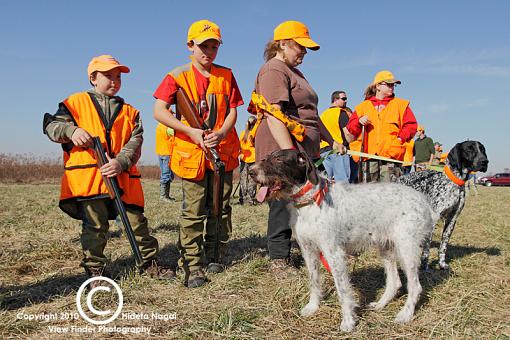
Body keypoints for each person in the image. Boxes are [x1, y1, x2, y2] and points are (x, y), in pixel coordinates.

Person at [43, 55, 175, 284]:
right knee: (95, 225)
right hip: (90, 179)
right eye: (108, 75)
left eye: (118, 76)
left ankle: (149, 262)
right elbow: (51, 126)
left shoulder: (130, 111)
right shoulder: (73, 103)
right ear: (93, 78)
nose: (115, 80)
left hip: (122, 178)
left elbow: (136, 140)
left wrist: (121, 161)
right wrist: (71, 131)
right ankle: (95, 270)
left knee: (137, 222)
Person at [153, 20, 243, 288]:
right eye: (204, 46)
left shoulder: (226, 75)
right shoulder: (176, 75)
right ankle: (192, 265)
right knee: (193, 212)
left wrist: (223, 132)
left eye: (214, 46)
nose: (209, 51)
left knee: (221, 207)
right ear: (190, 46)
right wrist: (191, 131)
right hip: (192, 154)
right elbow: (159, 111)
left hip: (222, 152)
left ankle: (216, 254)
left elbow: (234, 110)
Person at [251, 20, 341, 275]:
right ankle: (279, 259)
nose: (303, 52)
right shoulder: (273, 70)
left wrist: (331, 139)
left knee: (303, 199)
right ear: (281, 44)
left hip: (301, 149)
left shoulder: (296, 72)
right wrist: (289, 154)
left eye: (306, 48)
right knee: (282, 199)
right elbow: (273, 115)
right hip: (283, 148)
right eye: (299, 46)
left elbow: (311, 114)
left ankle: (307, 247)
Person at [346, 70, 417, 182]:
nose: (392, 87)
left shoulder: (401, 104)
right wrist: (359, 121)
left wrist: (399, 139)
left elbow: (411, 126)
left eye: (393, 85)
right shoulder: (362, 107)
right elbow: (351, 129)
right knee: (368, 194)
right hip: (368, 158)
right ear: (378, 86)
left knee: (391, 193)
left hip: (391, 157)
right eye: (388, 84)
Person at [319, 91, 354, 183]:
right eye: (343, 99)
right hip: (339, 151)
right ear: (335, 99)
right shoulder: (341, 113)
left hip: (324, 152)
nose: (346, 101)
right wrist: (353, 143)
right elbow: (347, 133)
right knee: (343, 182)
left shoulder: (323, 114)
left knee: (326, 182)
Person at [239, 116, 258, 205]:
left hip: (243, 158)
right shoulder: (255, 133)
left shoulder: (243, 134)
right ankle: (250, 199)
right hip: (253, 159)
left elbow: (239, 147)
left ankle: (242, 198)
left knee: (243, 179)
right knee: (252, 180)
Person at [155, 123, 175, 202]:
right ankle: (163, 196)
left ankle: (166, 195)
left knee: (165, 174)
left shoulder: (159, 125)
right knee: (167, 175)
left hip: (160, 152)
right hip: (167, 152)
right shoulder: (169, 128)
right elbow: (176, 134)